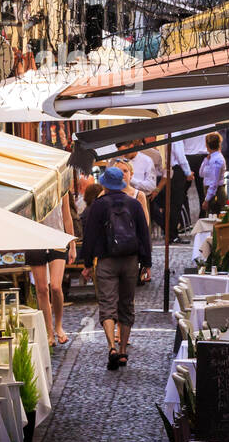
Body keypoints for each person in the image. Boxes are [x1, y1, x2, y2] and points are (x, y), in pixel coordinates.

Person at [80, 166, 151, 371]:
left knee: (107, 304)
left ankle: (111, 346)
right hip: (130, 260)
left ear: (105, 184)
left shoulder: (99, 206)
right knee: (126, 304)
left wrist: (86, 264)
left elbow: (90, 235)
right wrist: (146, 264)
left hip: (106, 261)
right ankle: (122, 352)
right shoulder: (134, 204)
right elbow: (144, 235)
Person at [28, 191, 76, 345]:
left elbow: (67, 217)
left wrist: (72, 244)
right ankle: (49, 333)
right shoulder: (33, 188)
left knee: (56, 286)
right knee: (42, 289)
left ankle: (59, 326)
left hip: (57, 240)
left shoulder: (62, 190)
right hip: (35, 241)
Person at [111, 157, 152, 282]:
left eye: (125, 171)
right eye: (119, 171)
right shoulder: (105, 194)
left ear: (131, 174)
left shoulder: (138, 195)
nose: (122, 174)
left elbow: (145, 224)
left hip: (131, 246)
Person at [198, 131, 227, 217]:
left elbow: (214, 183)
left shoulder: (217, 160)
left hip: (215, 193)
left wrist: (207, 200)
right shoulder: (210, 158)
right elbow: (201, 174)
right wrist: (206, 161)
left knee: (214, 218)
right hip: (210, 192)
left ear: (207, 145)